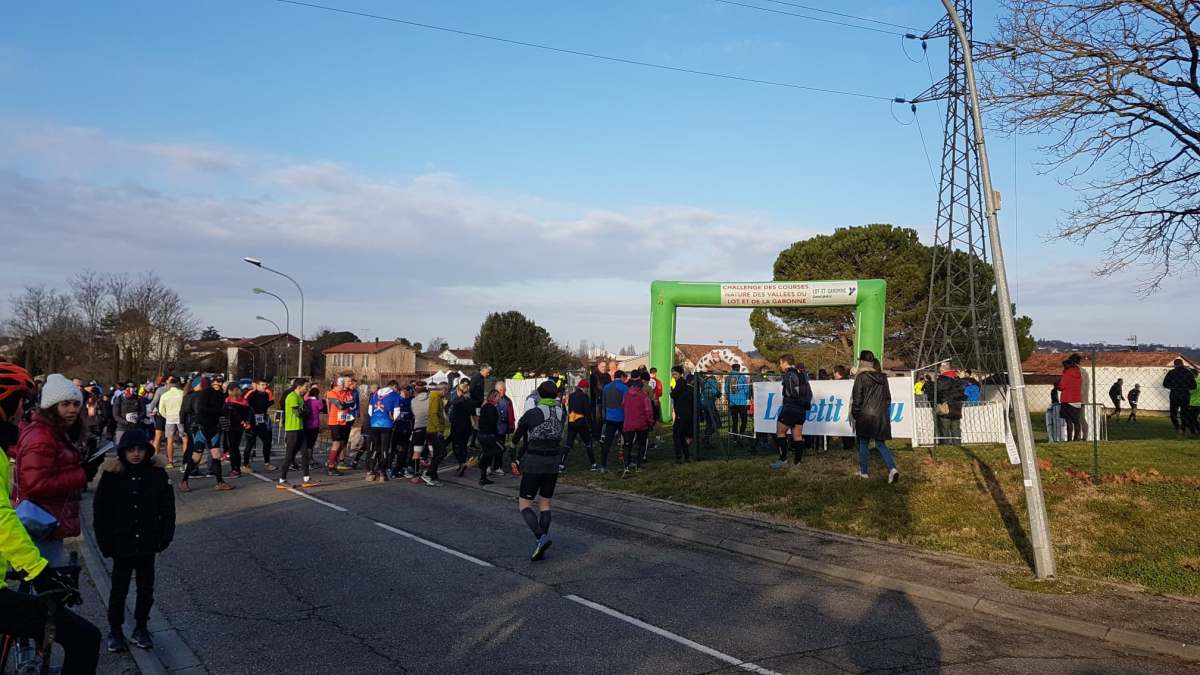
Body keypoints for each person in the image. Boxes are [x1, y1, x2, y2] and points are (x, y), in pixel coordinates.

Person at [0, 364, 101, 675]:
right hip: (37, 534)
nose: (23, 410)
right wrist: (38, 570)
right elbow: (2, 517)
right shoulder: (37, 437)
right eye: (20, 402)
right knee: (85, 638)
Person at [92, 429, 175, 653]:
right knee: (119, 589)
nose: (136, 454)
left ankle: (141, 626)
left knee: (145, 588)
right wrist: (104, 542)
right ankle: (115, 629)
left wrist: (165, 535)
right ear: (123, 452)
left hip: (148, 540)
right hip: (121, 542)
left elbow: (168, 507)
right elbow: (101, 512)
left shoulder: (156, 474)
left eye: (140, 449)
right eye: (131, 450)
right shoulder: (112, 476)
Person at [512, 381, 565, 561]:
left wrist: (515, 452)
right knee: (545, 504)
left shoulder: (534, 412)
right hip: (553, 461)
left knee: (525, 504)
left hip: (535, 460)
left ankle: (540, 537)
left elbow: (518, 435)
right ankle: (540, 544)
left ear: (540, 395)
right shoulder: (561, 412)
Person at [850, 351, 899, 484]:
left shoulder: (861, 377)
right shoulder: (883, 377)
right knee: (881, 444)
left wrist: (855, 414)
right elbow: (888, 399)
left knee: (863, 443)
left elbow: (857, 398)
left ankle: (864, 472)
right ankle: (892, 468)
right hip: (881, 415)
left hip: (865, 415)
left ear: (862, 362)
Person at [181, 377, 232, 493]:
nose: (219, 384)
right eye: (216, 382)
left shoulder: (221, 395)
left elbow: (222, 409)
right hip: (202, 428)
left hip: (214, 428)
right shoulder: (205, 393)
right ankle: (184, 481)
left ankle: (220, 482)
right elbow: (201, 409)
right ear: (211, 383)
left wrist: (226, 411)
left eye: (221, 382)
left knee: (216, 456)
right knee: (196, 458)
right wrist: (219, 411)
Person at [770, 356, 812, 469]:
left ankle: (783, 460)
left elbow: (791, 393)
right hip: (802, 409)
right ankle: (797, 462)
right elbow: (809, 392)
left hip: (791, 407)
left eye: (780, 363)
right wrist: (805, 404)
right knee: (797, 435)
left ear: (785, 362)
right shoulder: (803, 373)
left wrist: (791, 402)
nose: (780, 366)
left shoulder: (789, 374)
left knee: (780, 432)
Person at [278, 378, 314, 489]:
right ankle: (282, 480)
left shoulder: (300, 397)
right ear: (299, 387)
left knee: (305, 453)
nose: (307, 389)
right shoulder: (292, 396)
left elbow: (305, 412)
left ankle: (306, 479)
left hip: (300, 428)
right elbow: (298, 413)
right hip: (292, 430)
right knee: (289, 456)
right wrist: (305, 411)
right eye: (306, 387)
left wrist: (305, 411)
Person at [365, 381, 402, 482]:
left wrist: (375, 419)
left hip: (374, 424)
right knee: (385, 449)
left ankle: (371, 472)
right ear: (394, 387)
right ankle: (382, 473)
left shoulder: (375, 394)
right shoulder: (395, 396)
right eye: (397, 388)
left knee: (375, 448)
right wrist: (393, 420)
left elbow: (370, 411)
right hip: (386, 425)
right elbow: (397, 412)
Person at [620, 372, 654, 477]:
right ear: (641, 387)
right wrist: (650, 422)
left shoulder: (626, 395)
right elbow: (648, 411)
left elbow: (622, 405)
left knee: (627, 445)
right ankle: (638, 466)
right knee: (641, 445)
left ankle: (626, 466)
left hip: (628, 423)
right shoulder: (644, 396)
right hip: (641, 424)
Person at [598, 370, 629, 473]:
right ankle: (627, 464)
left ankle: (603, 465)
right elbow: (626, 403)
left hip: (610, 417)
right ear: (621, 377)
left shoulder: (606, 387)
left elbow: (603, 403)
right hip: (622, 417)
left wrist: (604, 416)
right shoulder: (624, 388)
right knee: (627, 441)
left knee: (607, 442)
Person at [242, 380, 275, 471]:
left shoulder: (266, 394)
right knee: (250, 443)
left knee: (267, 441)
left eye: (266, 384)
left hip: (261, 421)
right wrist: (247, 420)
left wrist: (264, 414)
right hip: (251, 422)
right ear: (257, 385)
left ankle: (267, 463)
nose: (265, 386)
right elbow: (244, 405)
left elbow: (269, 403)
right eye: (262, 384)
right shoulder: (251, 394)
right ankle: (245, 465)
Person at [221, 383, 252, 478]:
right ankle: (236, 468)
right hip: (240, 427)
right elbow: (249, 413)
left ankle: (235, 469)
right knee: (235, 448)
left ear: (230, 391)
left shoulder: (229, 401)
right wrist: (246, 422)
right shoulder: (244, 401)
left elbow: (227, 413)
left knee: (233, 448)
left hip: (231, 427)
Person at [565, 379, 595, 470]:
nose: (586, 390)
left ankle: (561, 464)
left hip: (572, 421)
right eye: (586, 388)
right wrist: (591, 426)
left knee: (568, 444)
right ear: (584, 387)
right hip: (581, 423)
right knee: (588, 443)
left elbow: (570, 409)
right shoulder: (584, 397)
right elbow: (587, 412)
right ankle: (593, 464)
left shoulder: (571, 396)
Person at [1162, 358, 1197, 436]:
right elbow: (1193, 386)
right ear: (1182, 364)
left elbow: (1165, 384)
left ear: (1175, 365)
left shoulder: (1171, 373)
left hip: (1174, 395)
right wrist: (1185, 387)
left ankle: (1177, 427)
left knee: (1173, 413)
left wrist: (1173, 386)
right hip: (1185, 395)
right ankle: (1183, 428)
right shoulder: (1188, 373)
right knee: (1184, 413)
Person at [934, 363, 967, 445]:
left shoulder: (942, 379)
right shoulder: (957, 379)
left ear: (943, 370)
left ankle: (945, 446)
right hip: (957, 406)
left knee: (944, 427)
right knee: (956, 428)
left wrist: (940, 400)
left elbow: (937, 392)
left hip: (946, 406)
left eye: (940, 370)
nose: (939, 372)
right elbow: (962, 392)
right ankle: (957, 444)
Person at [325, 378, 353, 473]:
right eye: (347, 382)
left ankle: (332, 461)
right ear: (338, 384)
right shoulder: (331, 393)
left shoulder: (346, 392)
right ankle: (331, 466)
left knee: (342, 443)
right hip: (334, 421)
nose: (350, 383)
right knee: (336, 443)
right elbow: (340, 406)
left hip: (344, 420)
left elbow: (351, 403)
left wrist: (346, 403)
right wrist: (346, 403)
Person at [449, 380, 475, 477]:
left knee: (456, 446)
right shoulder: (470, 401)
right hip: (467, 426)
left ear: (459, 391)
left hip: (456, 426)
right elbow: (473, 414)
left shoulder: (456, 401)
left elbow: (450, 414)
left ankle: (461, 463)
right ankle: (463, 462)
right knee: (463, 446)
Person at [157, 378, 184, 469]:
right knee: (185, 439)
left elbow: (161, 410)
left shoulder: (165, 395)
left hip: (169, 418)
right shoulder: (182, 393)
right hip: (181, 418)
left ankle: (170, 461)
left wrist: (166, 416)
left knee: (170, 440)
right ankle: (185, 461)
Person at [477, 390, 503, 486]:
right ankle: (482, 457)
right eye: (498, 397)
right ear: (494, 397)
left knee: (488, 456)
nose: (499, 398)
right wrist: (496, 435)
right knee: (501, 448)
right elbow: (492, 423)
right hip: (488, 435)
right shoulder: (491, 408)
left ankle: (483, 477)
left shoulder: (485, 406)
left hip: (482, 434)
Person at [408, 381, 431, 483]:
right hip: (430, 428)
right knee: (432, 451)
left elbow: (414, 413)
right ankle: (429, 473)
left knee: (416, 452)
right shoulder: (431, 399)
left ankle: (416, 475)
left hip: (418, 427)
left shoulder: (413, 401)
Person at [670, 372, 695, 463]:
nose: (674, 376)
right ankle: (686, 455)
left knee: (678, 436)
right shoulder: (690, 389)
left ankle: (680, 456)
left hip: (681, 415)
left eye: (675, 374)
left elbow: (674, 397)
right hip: (687, 415)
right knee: (682, 436)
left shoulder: (680, 388)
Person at [1058, 357, 1084, 442]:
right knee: (1076, 421)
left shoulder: (1067, 374)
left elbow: (1061, 386)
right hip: (1077, 400)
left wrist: (1057, 386)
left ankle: (1069, 439)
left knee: (1068, 421)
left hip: (1067, 399)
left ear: (1067, 366)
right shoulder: (1079, 374)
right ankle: (1076, 439)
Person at [301, 386, 326, 473]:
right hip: (314, 425)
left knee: (306, 444)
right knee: (311, 445)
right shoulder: (317, 402)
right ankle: (308, 462)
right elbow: (323, 409)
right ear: (317, 394)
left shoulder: (306, 401)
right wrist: (323, 400)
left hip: (305, 425)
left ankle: (306, 461)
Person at [725, 364, 750, 442]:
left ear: (732, 368)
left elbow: (726, 389)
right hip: (741, 401)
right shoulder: (742, 376)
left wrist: (729, 397)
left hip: (732, 402)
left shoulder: (728, 377)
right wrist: (747, 398)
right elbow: (746, 389)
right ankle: (741, 435)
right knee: (744, 420)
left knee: (734, 421)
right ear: (739, 368)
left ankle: (735, 438)